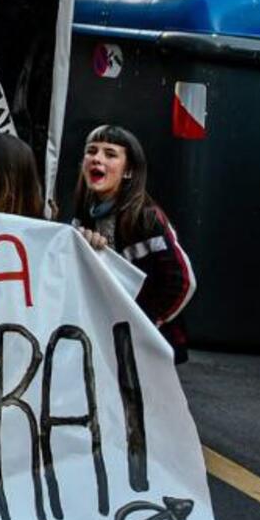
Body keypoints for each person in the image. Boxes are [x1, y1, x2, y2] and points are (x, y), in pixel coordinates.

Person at [70, 124, 196, 358]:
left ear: (128, 171)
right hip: (105, 336)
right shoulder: (83, 214)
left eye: (110, 154)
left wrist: (146, 325)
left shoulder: (146, 218)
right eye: (91, 151)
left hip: (148, 344)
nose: (97, 159)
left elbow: (183, 281)